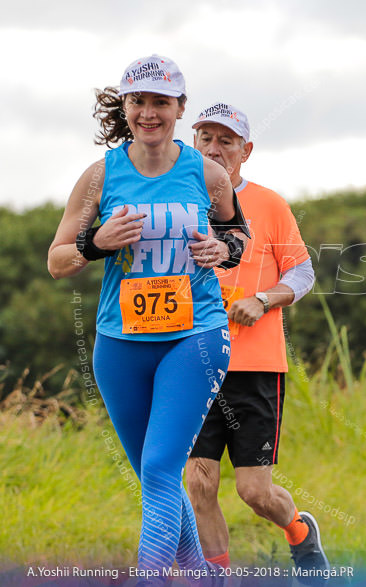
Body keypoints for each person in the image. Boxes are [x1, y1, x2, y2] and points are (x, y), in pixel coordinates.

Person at [47, 55, 247, 580]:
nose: (149, 113)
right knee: (155, 479)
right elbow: (57, 260)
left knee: (160, 469)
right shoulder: (99, 176)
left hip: (195, 335)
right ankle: (203, 577)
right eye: (139, 101)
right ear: (127, 107)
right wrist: (96, 244)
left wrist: (221, 250)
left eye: (162, 102)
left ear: (180, 108)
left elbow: (238, 239)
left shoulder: (206, 171)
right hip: (120, 345)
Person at [184, 103, 327, 576]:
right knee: (199, 485)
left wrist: (264, 299)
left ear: (246, 150)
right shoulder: (176, 203)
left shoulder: (268, 203)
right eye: (205, 137)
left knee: (254, 493)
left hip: (255, 368)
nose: (214, 148)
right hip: (192, 363)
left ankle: (300, 530)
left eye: (226, 140)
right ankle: (216, 577)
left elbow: (303, 272)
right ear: (192, 143)